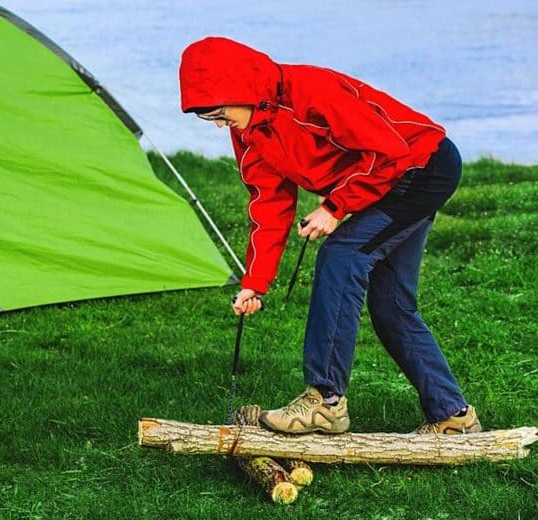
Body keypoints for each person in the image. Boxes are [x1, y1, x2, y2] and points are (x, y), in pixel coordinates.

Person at [179, 37, 481, 435]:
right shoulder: (248, 132)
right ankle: (453, 416)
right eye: (206, 118)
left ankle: (325, 402)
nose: (218, 124)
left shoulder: (311, 93)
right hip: (385, 178)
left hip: (422, 166)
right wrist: (255, 282)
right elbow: (270, 204)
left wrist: (335, 207)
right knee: (391, 304)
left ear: (241, 88)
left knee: (341, 255)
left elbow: (388, 150)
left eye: (218, 112)